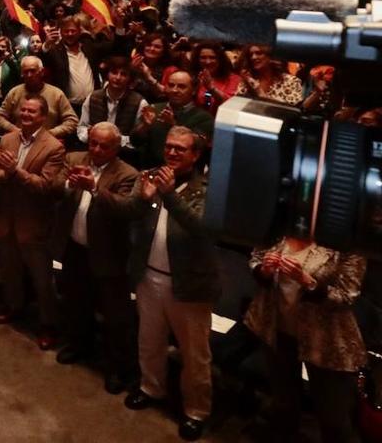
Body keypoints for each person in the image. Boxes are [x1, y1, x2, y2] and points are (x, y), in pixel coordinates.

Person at [124, 126, 219, 442]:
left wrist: (167, 196)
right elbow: (132, 216)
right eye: (169, 147)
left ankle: (196, 411)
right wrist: (143, 199)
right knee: (149, 340)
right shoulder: (150, 176)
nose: (173, 153)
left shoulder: (208, 188)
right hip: (149, 275)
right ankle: (151, 387)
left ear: (195, 155)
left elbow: (202, 230)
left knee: (195, 354)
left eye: (181, 148)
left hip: (189, 285)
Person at [245, 238, 366, 442]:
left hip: (326, 341)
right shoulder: (279, 229)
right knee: (284, 402)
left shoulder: (346, 241)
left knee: (333, 416)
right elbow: (255, 258)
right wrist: (263, 270)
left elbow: (347, 295)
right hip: (277, 329)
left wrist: (307, 282)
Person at [51, 123, 139, 394]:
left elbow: (125, 209)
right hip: (75, 248)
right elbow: (53, 186)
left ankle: (117, 369)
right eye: (93, 143)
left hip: (108, 255)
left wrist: (95, 188)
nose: (97, 150)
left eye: (104, 146)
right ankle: (79, 346)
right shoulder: (75, 159)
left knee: (115, 317)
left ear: (117, 148)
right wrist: (69, 183)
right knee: (77, 303)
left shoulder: (128, 174)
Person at [0, 95, 65, 350]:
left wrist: (14, 172)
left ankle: (49, 325)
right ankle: (15, 307)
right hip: (6, 218)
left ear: (43, 117)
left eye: (32, 112)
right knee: (9, 271)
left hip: (34, 223)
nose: (25, 115)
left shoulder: (54, 147)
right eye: (23, 110)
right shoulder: (8, 139)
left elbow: (45, 185)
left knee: (42, 280)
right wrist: (6, 173)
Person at [132, 70, 214, 167]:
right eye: (171, 85)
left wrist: (173, 125)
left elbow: (197, 148)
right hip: (152, 170)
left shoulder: (205, 118)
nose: (174, 90)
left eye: (181, 86)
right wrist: (144, 126)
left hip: (185, 174)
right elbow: (134, 141)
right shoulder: (154, 109)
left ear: (194, 90)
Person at [0, 55, 78, 140]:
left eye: (33, 71)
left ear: (41, 72)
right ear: (22, 74)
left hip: (46, 142)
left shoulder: (56, 94)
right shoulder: (14, 93)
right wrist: (16, 130)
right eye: (25, 72)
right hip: (19, 141)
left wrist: (51, 133)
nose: (29, 75)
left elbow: (72, 121)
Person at [76, 56, 146, 154]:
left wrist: (113, 141)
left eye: (123, 74)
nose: (118, 78)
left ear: (129, 78)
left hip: (124, 154)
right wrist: (89, 135)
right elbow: (81, 127)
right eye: (114, 72)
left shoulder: (139, 102)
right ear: (107, 75)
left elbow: (137, 139)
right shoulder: (93, 97)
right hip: (95, 151)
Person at [189, 40, 244, 115]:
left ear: (220, 59)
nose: (208, 62)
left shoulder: (234, 79)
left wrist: (212, 89)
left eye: (212, 57)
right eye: (203, 57)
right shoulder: (193, 76)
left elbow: (231, 105)